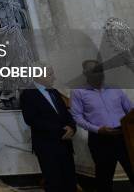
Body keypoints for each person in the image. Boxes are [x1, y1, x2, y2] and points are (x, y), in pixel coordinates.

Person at [71, 60, 134, 191]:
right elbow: (77, 117)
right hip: (100, 139)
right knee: (104, 179)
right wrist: (98, 130)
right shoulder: (79, 92)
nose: (99, 75)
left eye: (101, 71)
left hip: (123, 137)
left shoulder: (115, 88)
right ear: (85, 73)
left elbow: (130, 109)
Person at [20, 62, 77, 192]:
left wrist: (72, 127)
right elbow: (32, 120)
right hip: (47, 146)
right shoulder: (28, 94)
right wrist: (61, 130)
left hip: (65, 145)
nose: (54, 77)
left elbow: (67, 114)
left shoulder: (55, 92)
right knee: (54, 183)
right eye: (50, 74)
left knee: (70, 182)